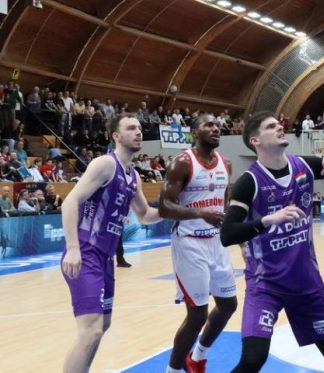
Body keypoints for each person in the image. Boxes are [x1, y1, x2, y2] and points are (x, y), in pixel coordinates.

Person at [219, 111, 324, 373]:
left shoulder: (304, 166)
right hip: (266, 284)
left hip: (307, 282)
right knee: (253, 359)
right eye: (271, 126)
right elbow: (227, 234)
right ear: (255, 140)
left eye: (279, 124)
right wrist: (268, 220)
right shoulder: (248, 182)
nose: (280, 127)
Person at [60, 113, 161, 373]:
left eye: (139, 128)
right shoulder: (105, 164)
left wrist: (173, 208)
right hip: (86, 251)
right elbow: (70, 202)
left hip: (105, 258)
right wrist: (73, 248)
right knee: (90, 330)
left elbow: (145, 215)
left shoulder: (134, 176)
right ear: (116, 136)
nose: (138, 132)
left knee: (102, 326)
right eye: (131, 128)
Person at [159, 114, 238, 373]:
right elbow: (164, 207)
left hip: (216, 242)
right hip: (189, 243)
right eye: (208, 125)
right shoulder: (182, 163)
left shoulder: (226, 164)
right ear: (194, 132)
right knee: (197, 315)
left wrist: (239, 240)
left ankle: (197, 358)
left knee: (228, 305)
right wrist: (200, 213)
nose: (216, 128)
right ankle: (172, 371)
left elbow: (224, 207)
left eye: (217, 125)